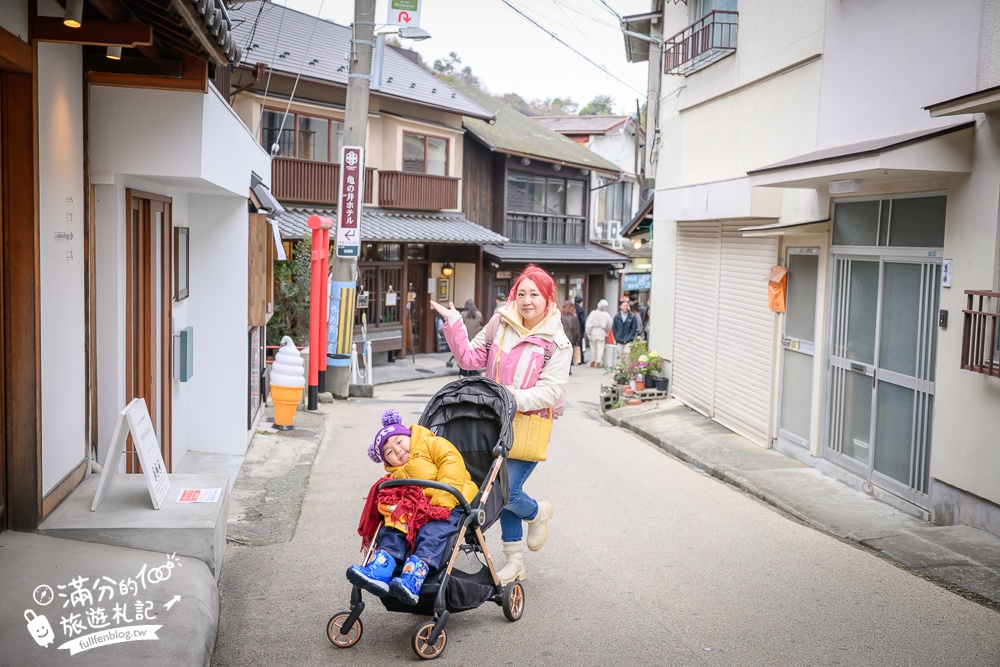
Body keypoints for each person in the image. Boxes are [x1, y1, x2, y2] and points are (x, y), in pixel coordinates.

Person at [430, 264, 570, 586]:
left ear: (548, 298)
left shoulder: (557, 344)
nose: (526, 300)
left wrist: (509, 397)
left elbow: (550, 391)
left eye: (534, 294)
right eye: (521, 293)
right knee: (499, 489)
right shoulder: (500, 323)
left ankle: (537, 513)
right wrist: (454, 324)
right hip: (492, 422)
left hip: (528, 426)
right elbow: (469, 359)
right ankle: (515, 561)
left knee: (504, 492)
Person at [347, 409, 479, 605]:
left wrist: (441, 503)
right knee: (394, 526)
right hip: (416, 507)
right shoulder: (395, 474)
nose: (397, 450)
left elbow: (452, 464)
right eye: (389, 452)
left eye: (399, 441)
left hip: (450, 502)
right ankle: (381, 569)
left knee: (432, 532)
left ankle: (413, 578)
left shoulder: (430, 443)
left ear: (409, 435)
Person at [585, 299, 613, 368]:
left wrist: (588, 333)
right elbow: (610, 324)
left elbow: (588, 324)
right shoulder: (606, 315)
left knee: (593, 348)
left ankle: (592, 360)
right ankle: (599, 361)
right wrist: (607, 329)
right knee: (600, 348)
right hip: (602, 332)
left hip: (593, 331)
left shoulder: (593, 313)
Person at [458, 299, 483, 377]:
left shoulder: (462, 314)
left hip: (465, 338)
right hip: (475, 338)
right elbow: (481, 323)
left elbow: (459, 325)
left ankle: (463, 373)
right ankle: (473, 372)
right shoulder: (478, 314)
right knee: (473, 356)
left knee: (464, 355)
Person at [560, 300, 581, 372]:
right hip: (571, 338)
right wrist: (577, 340)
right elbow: (576, 330)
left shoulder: (561, 316)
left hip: (562, 338)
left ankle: (563, 369)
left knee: (562, 354)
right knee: (569, 354)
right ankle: (568, 370)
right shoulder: (574, 316)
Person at [573, 295, 587, 363]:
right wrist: (584, 329)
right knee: (579, 344)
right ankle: (580, 359)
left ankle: (573, 359)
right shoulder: (581, 310)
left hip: (571, 328)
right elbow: (582, 321)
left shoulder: (572, 308)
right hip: (579, 329)